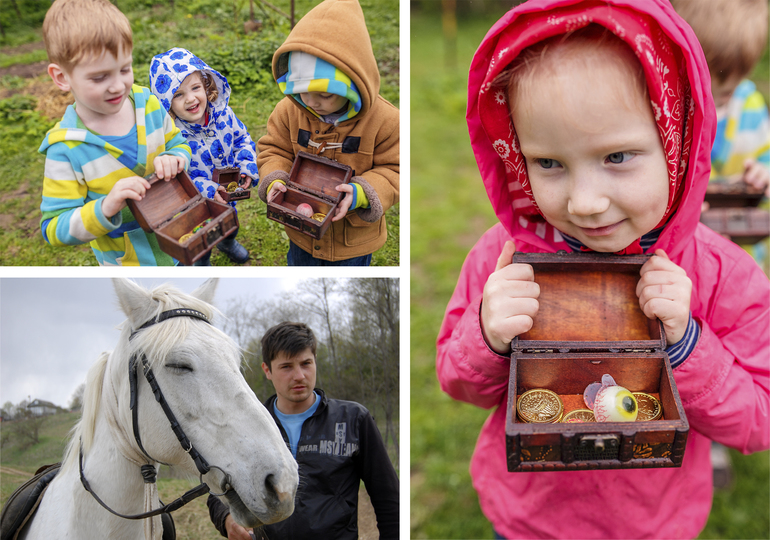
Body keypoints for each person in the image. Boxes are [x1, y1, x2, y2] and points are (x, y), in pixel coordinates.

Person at [436, 1, 770, 539]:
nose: (586, 202)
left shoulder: (721, 274)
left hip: (652, 526)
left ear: (678, 146)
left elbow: (759, 418)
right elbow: (458, 382)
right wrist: (486, 334)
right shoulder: (503, 262)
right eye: (549, 163)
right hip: (529, 520)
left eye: (617, 157)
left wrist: (688, 345)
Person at [206, 322, 399, 539]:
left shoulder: (353, 420)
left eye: (306, 363)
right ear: (267, 370)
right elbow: (218, 487)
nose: (299, 375)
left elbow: (389, 500)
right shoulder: (246, 425)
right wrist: (227, 518)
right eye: (286, 366)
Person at [38, 0, 191, 266]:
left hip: (180, 241)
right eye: (99, 78)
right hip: (127, 265)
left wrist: (176, 156)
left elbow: (178, 143)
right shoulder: (65, 148)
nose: (118, 86)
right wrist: (105, 207)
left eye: (124, 69)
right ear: (62, 77)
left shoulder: (150, 106)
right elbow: (53, 228)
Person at [257, 0, 399, 266]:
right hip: (301, 234)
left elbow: (395, 169)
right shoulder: (288, 111)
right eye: (301, 91)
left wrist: (362, 193)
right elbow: (273, 149)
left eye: (324, 94)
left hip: (352, 243)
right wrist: (275, 178)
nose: (311, 101)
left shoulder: (386, 121)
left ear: (354, 84)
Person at [669, 0, 770, 273]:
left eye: (725, 94)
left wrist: (762, 174)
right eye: (701, 90)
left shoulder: (750, 107)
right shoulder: (670, 112)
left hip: (740, 256)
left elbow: (766, 159)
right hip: (684, 257)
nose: (711, 105)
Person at [149, 48, 256, 266]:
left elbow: (242, 139)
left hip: (228, 191)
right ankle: (201, 260)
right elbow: (178, 178)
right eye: (178, 95)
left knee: (229, 221)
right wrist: (208, 189)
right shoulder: (171, 137)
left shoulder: (224, 114)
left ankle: (227, 242)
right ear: (166, 103)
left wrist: (246, 166)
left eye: (195, 88)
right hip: (195, 204)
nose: (190, 99)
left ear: (206, 86)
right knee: (202, 236)